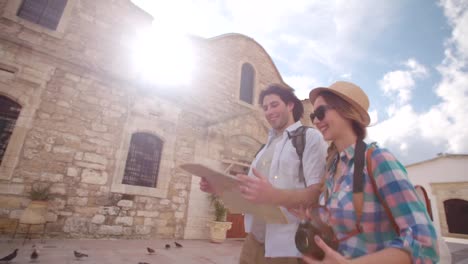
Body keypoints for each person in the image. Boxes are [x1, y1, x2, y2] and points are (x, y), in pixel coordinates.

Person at [300, 81, 439, 263]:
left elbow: (424, 243)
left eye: (320, 112)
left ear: (346, 111)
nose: (316, 121)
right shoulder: (332, 167)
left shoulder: (378, 160)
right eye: (313, 116)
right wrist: (314, 218)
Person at [200, 84, 328, 264]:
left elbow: (316, 193)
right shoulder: (263, 149)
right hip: (253, 240)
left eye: (274, 105)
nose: (268, 111)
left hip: (287, 246)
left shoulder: (310, 138)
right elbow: (250, 192)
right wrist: (219, 188)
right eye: (265, 107)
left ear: (290, 105)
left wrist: (275, 196)